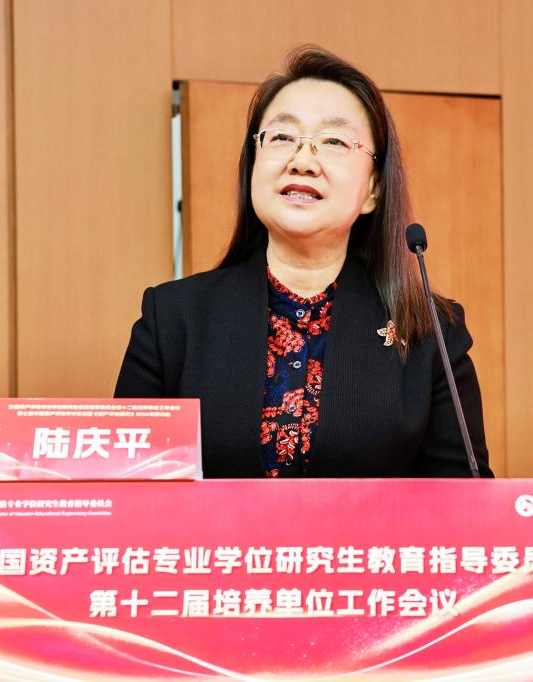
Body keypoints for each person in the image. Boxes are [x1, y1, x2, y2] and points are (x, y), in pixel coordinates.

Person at [115, 45, 492, 479]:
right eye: (281, 137)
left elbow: (465, 502)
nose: (303, 160)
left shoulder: (430, 332)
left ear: (373, 190)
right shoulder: (172, 320)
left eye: (333, 141)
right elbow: (127, 493)